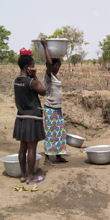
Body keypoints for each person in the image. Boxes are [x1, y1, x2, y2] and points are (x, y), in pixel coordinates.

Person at [13, 48, 46, 184]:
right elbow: (43, 91)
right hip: (32, 118)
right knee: (32, 148)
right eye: (33, 65)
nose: (34, 68)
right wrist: (35, 77)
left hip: (21, 117)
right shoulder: (31, 82)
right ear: (28, 67)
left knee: (23, 148)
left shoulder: (16, 81)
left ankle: (23, 175)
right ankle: (31, 177)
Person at [40, 38, 68, 166]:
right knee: (51, 133)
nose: (59, 66)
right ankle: (47, 158)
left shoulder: (55, 76)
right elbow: (49, 64)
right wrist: (45, 46)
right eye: (57, 64)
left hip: (57, 108)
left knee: (59, 133)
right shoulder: (48, 75)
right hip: (50, 108)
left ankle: (58, 155)